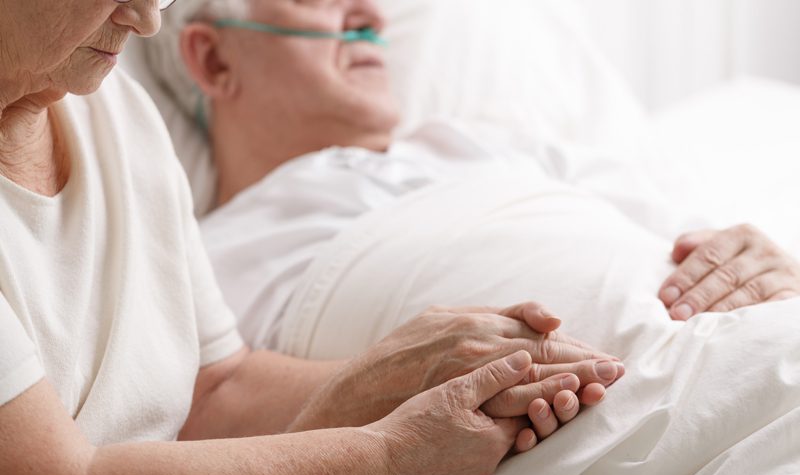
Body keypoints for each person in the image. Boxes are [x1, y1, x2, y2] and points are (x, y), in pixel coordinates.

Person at [0, 1, 625, 475]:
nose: (144, 20)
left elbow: (214, 392)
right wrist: (388, 451)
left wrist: (415, 369)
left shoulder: (119, 113)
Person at [148, 0, 800, 351]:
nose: (372, 15)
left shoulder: (491, 144)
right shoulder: (202, 268)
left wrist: (762, 260)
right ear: (212, 57)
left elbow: (707, 238)